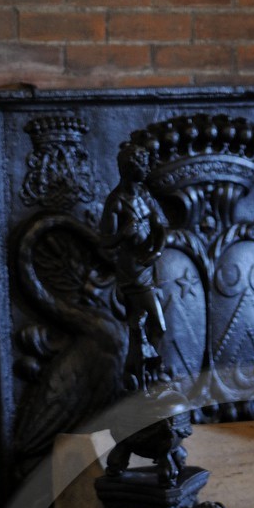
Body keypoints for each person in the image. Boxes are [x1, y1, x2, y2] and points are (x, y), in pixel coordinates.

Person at [99, 139, 168, 390]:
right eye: (142, 164)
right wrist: (123, 233)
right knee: (157, 325)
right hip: (132, 272)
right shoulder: (116, 202)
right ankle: (153, 371)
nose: (148, 169)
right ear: (129, 168)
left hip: (148, 265)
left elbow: (161, 226)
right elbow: (105, 241)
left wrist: (156, 253)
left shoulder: (145, 195)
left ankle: (141, 374)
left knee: (139, 326)